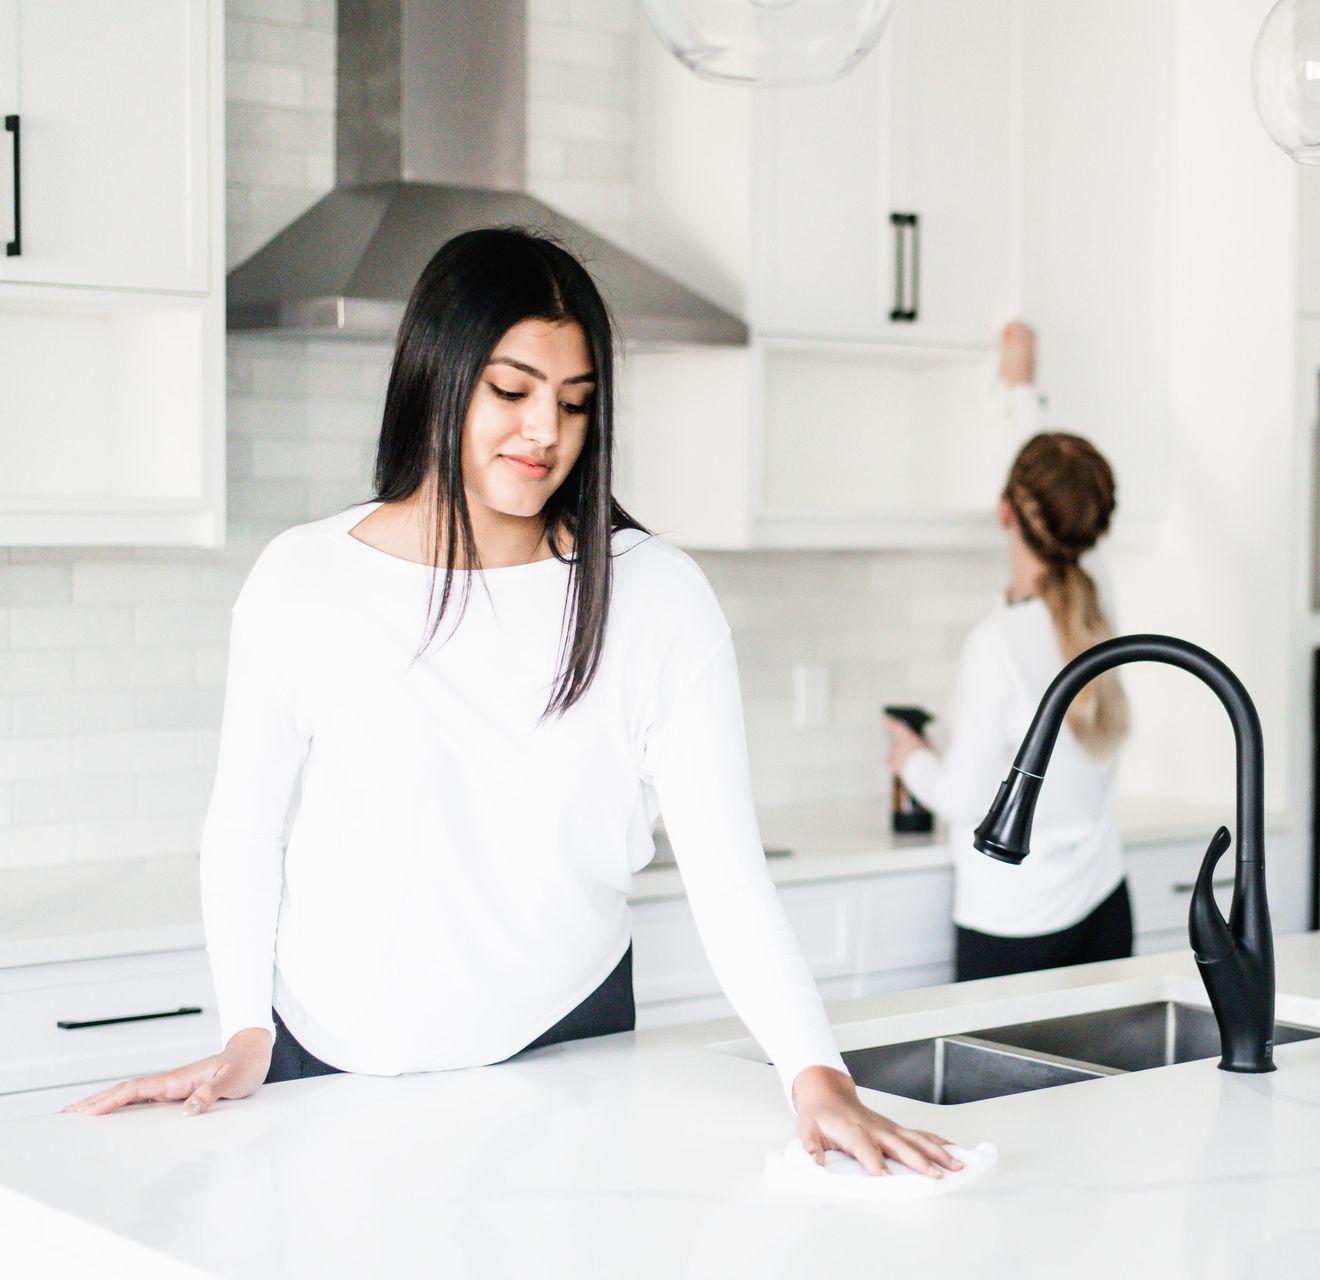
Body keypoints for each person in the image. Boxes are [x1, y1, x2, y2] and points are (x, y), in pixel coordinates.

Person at [63, 228, 960, 1180]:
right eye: (512, 391)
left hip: (564, 1040)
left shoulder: (654, 597)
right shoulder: (304, 580)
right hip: (321, 1051)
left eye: (576, 404)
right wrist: (247, 1026)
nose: (546, 432)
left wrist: (814, 1074)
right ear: (439, 373)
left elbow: (729, 878)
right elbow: (245, 829)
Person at [884, 321, 1132, 982]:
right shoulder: (1098, 594)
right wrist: (1022, 389)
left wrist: (912, 761)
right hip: (1104, 910)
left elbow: (967, 798)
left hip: (1015, 925)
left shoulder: (997, 642)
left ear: (1004, 513)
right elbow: (1057, 494)